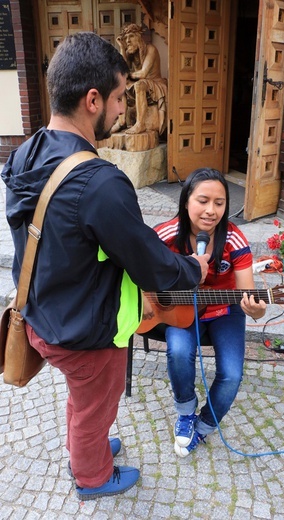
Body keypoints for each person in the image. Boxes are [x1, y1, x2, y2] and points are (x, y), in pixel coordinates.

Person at [1, 32, 209, 500]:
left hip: (41, 314)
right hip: (86, 333)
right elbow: (152, 266)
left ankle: (86, 448)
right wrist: (193, 269)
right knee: (94, 404)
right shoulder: (100, 183)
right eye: (118, 98)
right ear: (92, 99)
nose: (121, 109)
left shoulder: (25, 153)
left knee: (83, 400)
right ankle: (92, 475)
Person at [144, 168, 267, 457]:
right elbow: (136, 267)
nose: (211, 211)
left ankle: (205, 426)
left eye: (220, 203)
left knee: (232, 374)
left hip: (225, 311)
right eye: (203, 200)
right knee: (177, 350)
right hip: (180, 310)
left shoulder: (235, 240)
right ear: (186, 201)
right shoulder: (165, 234)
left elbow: (247, 293)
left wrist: (257, 311)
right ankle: (186, 412)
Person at [111, 23, 167, 135]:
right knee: (121, 83)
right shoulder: (130, 52)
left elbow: (143, 73)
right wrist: (122, 47)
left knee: (139, 85)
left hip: (155, 84)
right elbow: (123, 68)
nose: (128, 41)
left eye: (131, 36)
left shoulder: (151, 49)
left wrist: (128, 75)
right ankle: (121, 121)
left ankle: (140, 124)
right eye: (126, 38)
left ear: (139, 36)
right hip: (142, 82)